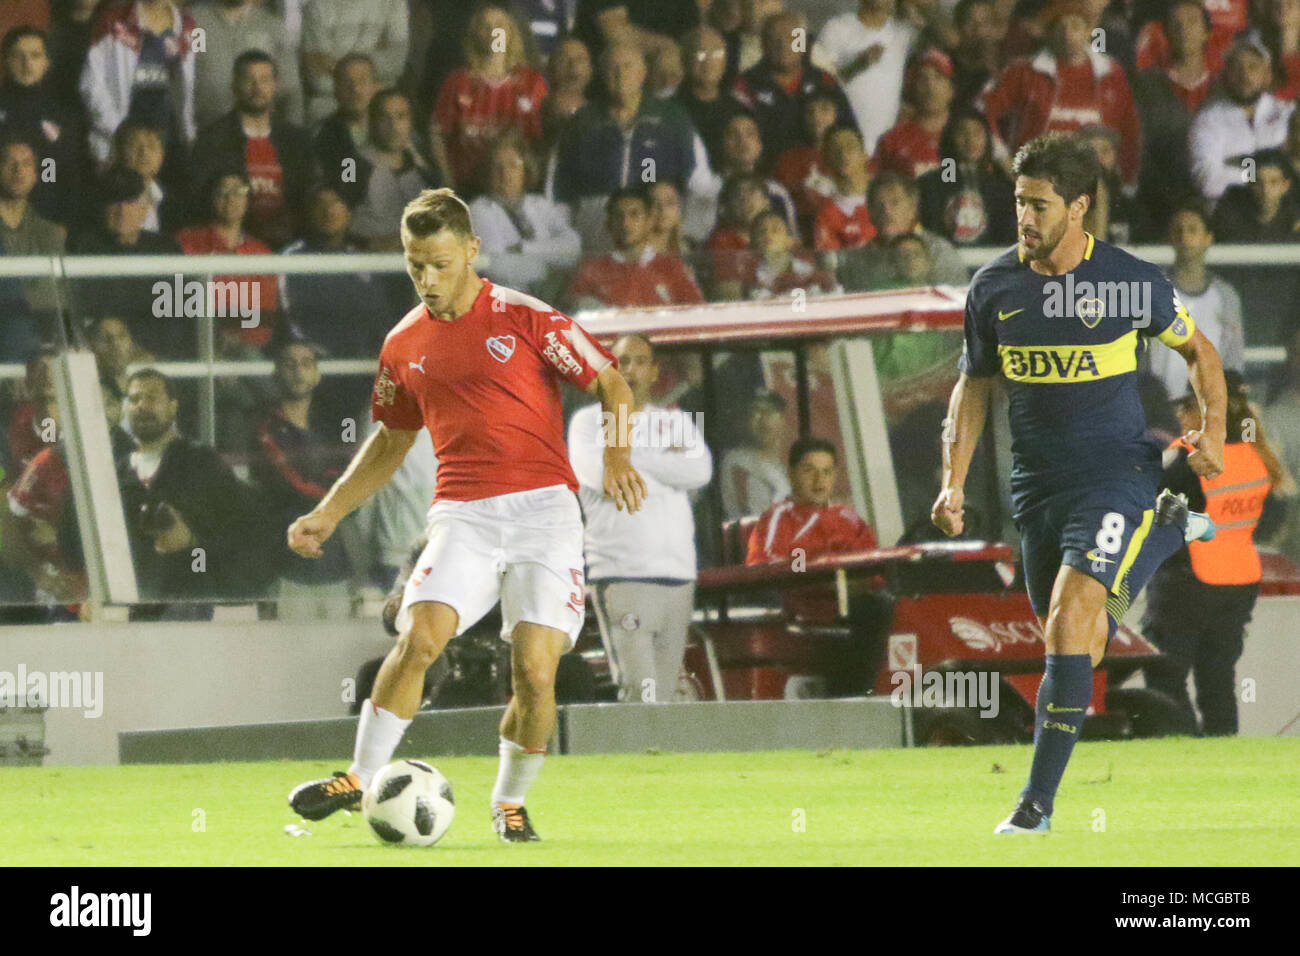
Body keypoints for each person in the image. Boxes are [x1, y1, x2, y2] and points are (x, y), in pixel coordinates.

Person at [285, 187, 646, 843]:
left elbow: (611, 381)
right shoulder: (402, 344)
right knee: (420, 639)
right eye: (414, 263)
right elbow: (391, 438)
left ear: (472, 251)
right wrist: (330, 511)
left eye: (440, 263)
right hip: (463, 513)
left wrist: (617, 456)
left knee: (536, 673)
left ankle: (509, 801)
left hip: (544, 514)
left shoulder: (525, 316)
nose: (426, 278)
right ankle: (360, 777)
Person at [932, 133, 1227, 834]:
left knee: (1070, 621)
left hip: (1116, 474)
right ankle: (1164, 531)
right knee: (1080, 644)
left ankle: (1035, 806)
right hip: (1035, 490)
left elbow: (1199, 350)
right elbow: (972, 388)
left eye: (1038, 205)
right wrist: (952, 482)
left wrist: (1213, 432)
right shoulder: (995, 288)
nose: (1025, 219)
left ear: (1080, 207)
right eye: (1018, 203)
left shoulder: (1130, 282)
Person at [1142, 374, 1293, 736]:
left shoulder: (1189, 458)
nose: (1178, 413)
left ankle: (1182, 747)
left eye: (1184, 406)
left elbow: (1155, 515)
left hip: (1187, 578)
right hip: (1239, 580)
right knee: (1218, 676)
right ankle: (1221, 744)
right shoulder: (1256, 454)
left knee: (1165, 673)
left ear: (1201, 409)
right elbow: (1270, 517)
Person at [568, 334, 712, 703]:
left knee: (664, 692)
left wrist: (631, 459)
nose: (630, 369)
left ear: (654, 371)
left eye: (639, 361)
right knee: (639, 691)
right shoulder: (587, 423)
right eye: (621, 361)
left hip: (678, 574)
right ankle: (633, 760)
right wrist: (666, 468)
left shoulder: (676, 421)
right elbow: (602, 478)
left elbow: (700, 472)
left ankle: (658, 762)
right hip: (622, 572)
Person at [117, 368, 274, 616]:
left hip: (194, 607)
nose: (142, 406)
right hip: (136, 608)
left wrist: (191, 542)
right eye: (134, 399)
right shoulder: (118, 473)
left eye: (152, 398)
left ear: (172, 406)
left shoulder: (201, 462)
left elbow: (245, 533)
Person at [745, 436, 890, 696]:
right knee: (876, 610)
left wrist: (858, 582)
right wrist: (816, 568)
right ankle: (853, 698)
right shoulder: (780, 517)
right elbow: (763, 565)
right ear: (791, 474)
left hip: (851, 604)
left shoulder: (849, 518)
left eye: (826, 472)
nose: (818, 480)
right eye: (809, 470)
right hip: (805, 608)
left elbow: (874, 569)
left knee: (897, 604)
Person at [251, 340, 359, 618]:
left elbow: (353, 473)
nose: (298, 371)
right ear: (276, 373)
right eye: (289, 364)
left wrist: (347, 492)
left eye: (306, 363)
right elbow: (290, 484)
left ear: (318, 374)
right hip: (287, 567)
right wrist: (341, 496)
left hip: (337, 565)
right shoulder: (264, 425)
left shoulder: (335, 423)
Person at [190, 50, 319, 250]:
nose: (258, 88)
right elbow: (201, 200)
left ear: (275, 85)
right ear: (235, 86)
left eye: (265, 80)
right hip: (234, 244)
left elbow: (310, 192)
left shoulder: (297, 140)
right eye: (249, 80)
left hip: (292, 241)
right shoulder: (212, 139)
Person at [429, 5, 547, 191]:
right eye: (485, 26)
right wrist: (448, 178)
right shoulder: (458, 81)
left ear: (510, 33)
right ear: (475, 34)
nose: (493, 32)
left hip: (516, 188)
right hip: (467, 185)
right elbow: (438, 134)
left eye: (499, 25)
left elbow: (540, 139)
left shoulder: (531, 81)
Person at [79, 0, 197, 167]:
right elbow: (91, 84)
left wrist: (189, 134)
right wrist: (119, 131)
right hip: (116, 143)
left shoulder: (188, 25)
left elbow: (190, 85)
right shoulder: (113, 19)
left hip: (168, 141)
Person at [1146, 201, 1245, 401]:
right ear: (1169, 239)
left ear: (1208, 238)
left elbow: (1233, 361)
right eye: (1178, 230)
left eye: (1192, 230)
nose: (1184, 237)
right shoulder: (1151, 291)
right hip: (1158, 411)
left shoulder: (1226, 297)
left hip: (1206, 412)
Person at [468, 136, 582, 296]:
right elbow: (498, 266)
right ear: (488, 173)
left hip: (548, 297)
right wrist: (550, 264)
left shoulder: (540, 204)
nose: (505, 173)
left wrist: (523, 248)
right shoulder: (478, 209)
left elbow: (573, 248)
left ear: (525, 170)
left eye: (513, 165)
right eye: (497, 167)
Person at [1189, 39, 1294, 204]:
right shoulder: (1209, 119)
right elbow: (1206, 180)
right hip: (1230, 209)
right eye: (1237, 68)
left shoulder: (1285, 112)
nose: (1245, 75)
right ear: (1226, 75)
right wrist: (1254, 176)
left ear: (1267, 74)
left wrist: (1236, 164)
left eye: (1253, 66)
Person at [566, 186, 705, 310]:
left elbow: (696, 313)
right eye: (619, 216)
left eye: (634, 215)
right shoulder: (592, 269)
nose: (625, 223)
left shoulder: (672, 267)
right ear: (609, 224)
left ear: (649, 221)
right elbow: (574, 318)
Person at [350, 89, 439, 250]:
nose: (394, 126)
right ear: (372, 122)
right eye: (385, 118)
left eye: (401, 117)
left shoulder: (425, 167)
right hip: (366, 261)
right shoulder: (350, 163)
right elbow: (337, 217)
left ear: (410, 122)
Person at [190, 0, 302, 129]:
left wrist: (294, 136)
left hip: (260, 133)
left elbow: (291, 91)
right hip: (205, 130)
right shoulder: (196, 24)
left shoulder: (272, 27)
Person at [299, 0, 408, 125]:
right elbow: (319, 79)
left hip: (380, 103)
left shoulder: (393, 2)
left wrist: (337, 66)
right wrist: (368, 75)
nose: (356, 88)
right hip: (329, 104)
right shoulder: (316, 6)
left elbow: (397, 62)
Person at [720, 387, 790, 519]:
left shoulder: (785, 466)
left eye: (771, 412)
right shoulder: (738, 462)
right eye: (755, 414)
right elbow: (760, 517)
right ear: (746, 422)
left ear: (783, 421)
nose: (763, 420)